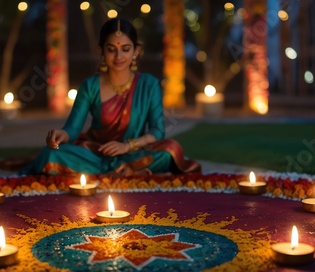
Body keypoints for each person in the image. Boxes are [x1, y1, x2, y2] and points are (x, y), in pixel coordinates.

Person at [20, 18, 200, 177]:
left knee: (171, 150)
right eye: (112, 49)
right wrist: (62, 135)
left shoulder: (149, 84)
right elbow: (73, 128)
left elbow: (157, 131)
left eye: (126, 49)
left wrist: (127, 146)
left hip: (133, 152)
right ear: (102, 51)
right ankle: (128, 172)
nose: (119, 56)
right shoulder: (90, 85)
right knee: (52, 154)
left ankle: (119, 169)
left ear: (136, 51)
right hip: (96, 153)